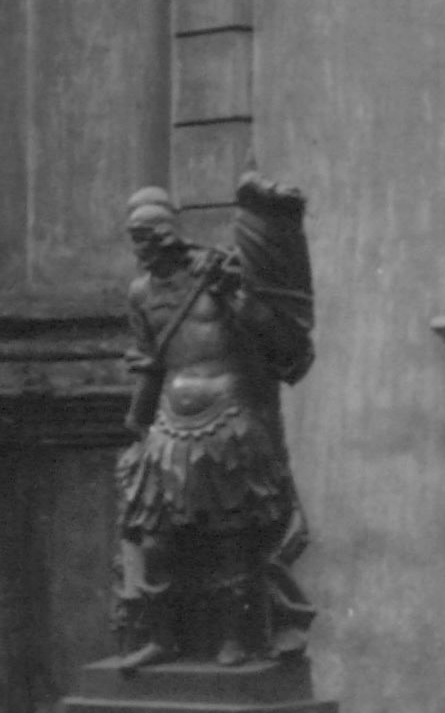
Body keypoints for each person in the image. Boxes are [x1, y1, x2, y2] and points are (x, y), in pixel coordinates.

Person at [116, 174, 316, 669]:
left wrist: (233, 294)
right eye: (136, 239)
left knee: (231, 540)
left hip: (229, 422)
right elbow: (149, 364)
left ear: (169, 233)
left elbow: (279, 347)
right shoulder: (140, 294)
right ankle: (162, 637)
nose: (143, 249)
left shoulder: (216, 274)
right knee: (157, 542)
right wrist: (136, 428)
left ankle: (234, 638)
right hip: (169, 429)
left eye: (149, 237)